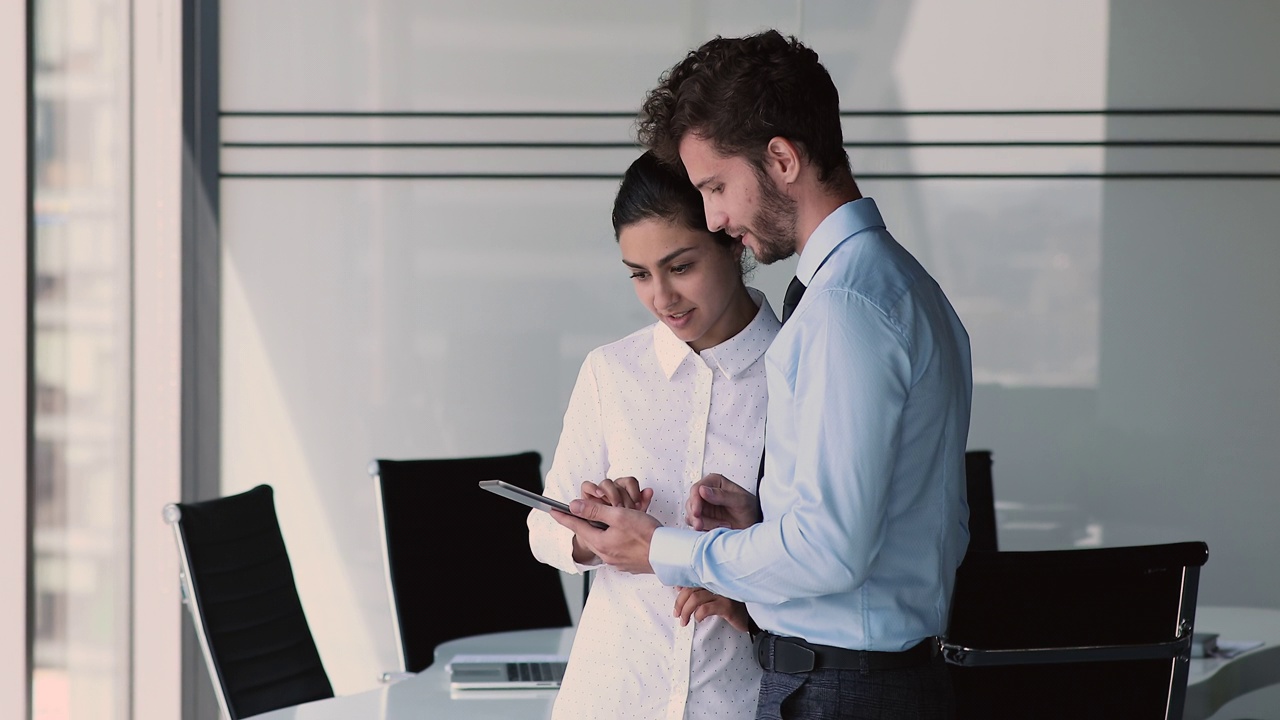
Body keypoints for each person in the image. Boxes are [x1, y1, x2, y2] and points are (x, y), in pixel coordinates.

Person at [552, 30, 974, 719]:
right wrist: (759, 524)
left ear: (780, 158)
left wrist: (665, 548)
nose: (717, 217)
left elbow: (829, 554)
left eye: (717, 187)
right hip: (857, 682)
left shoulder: (844, 311)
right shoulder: (897, 287)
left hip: (843, 691)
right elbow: (908, 525)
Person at [527, 150, 780, 719]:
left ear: (732, 239)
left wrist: (745, 575)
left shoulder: (795, 374)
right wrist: (593, 532)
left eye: (680, 266)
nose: (661, 296)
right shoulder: (611, 372)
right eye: (640, 274)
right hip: (610, 696)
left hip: (735, 700)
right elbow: (541, 530)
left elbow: (823, 546)